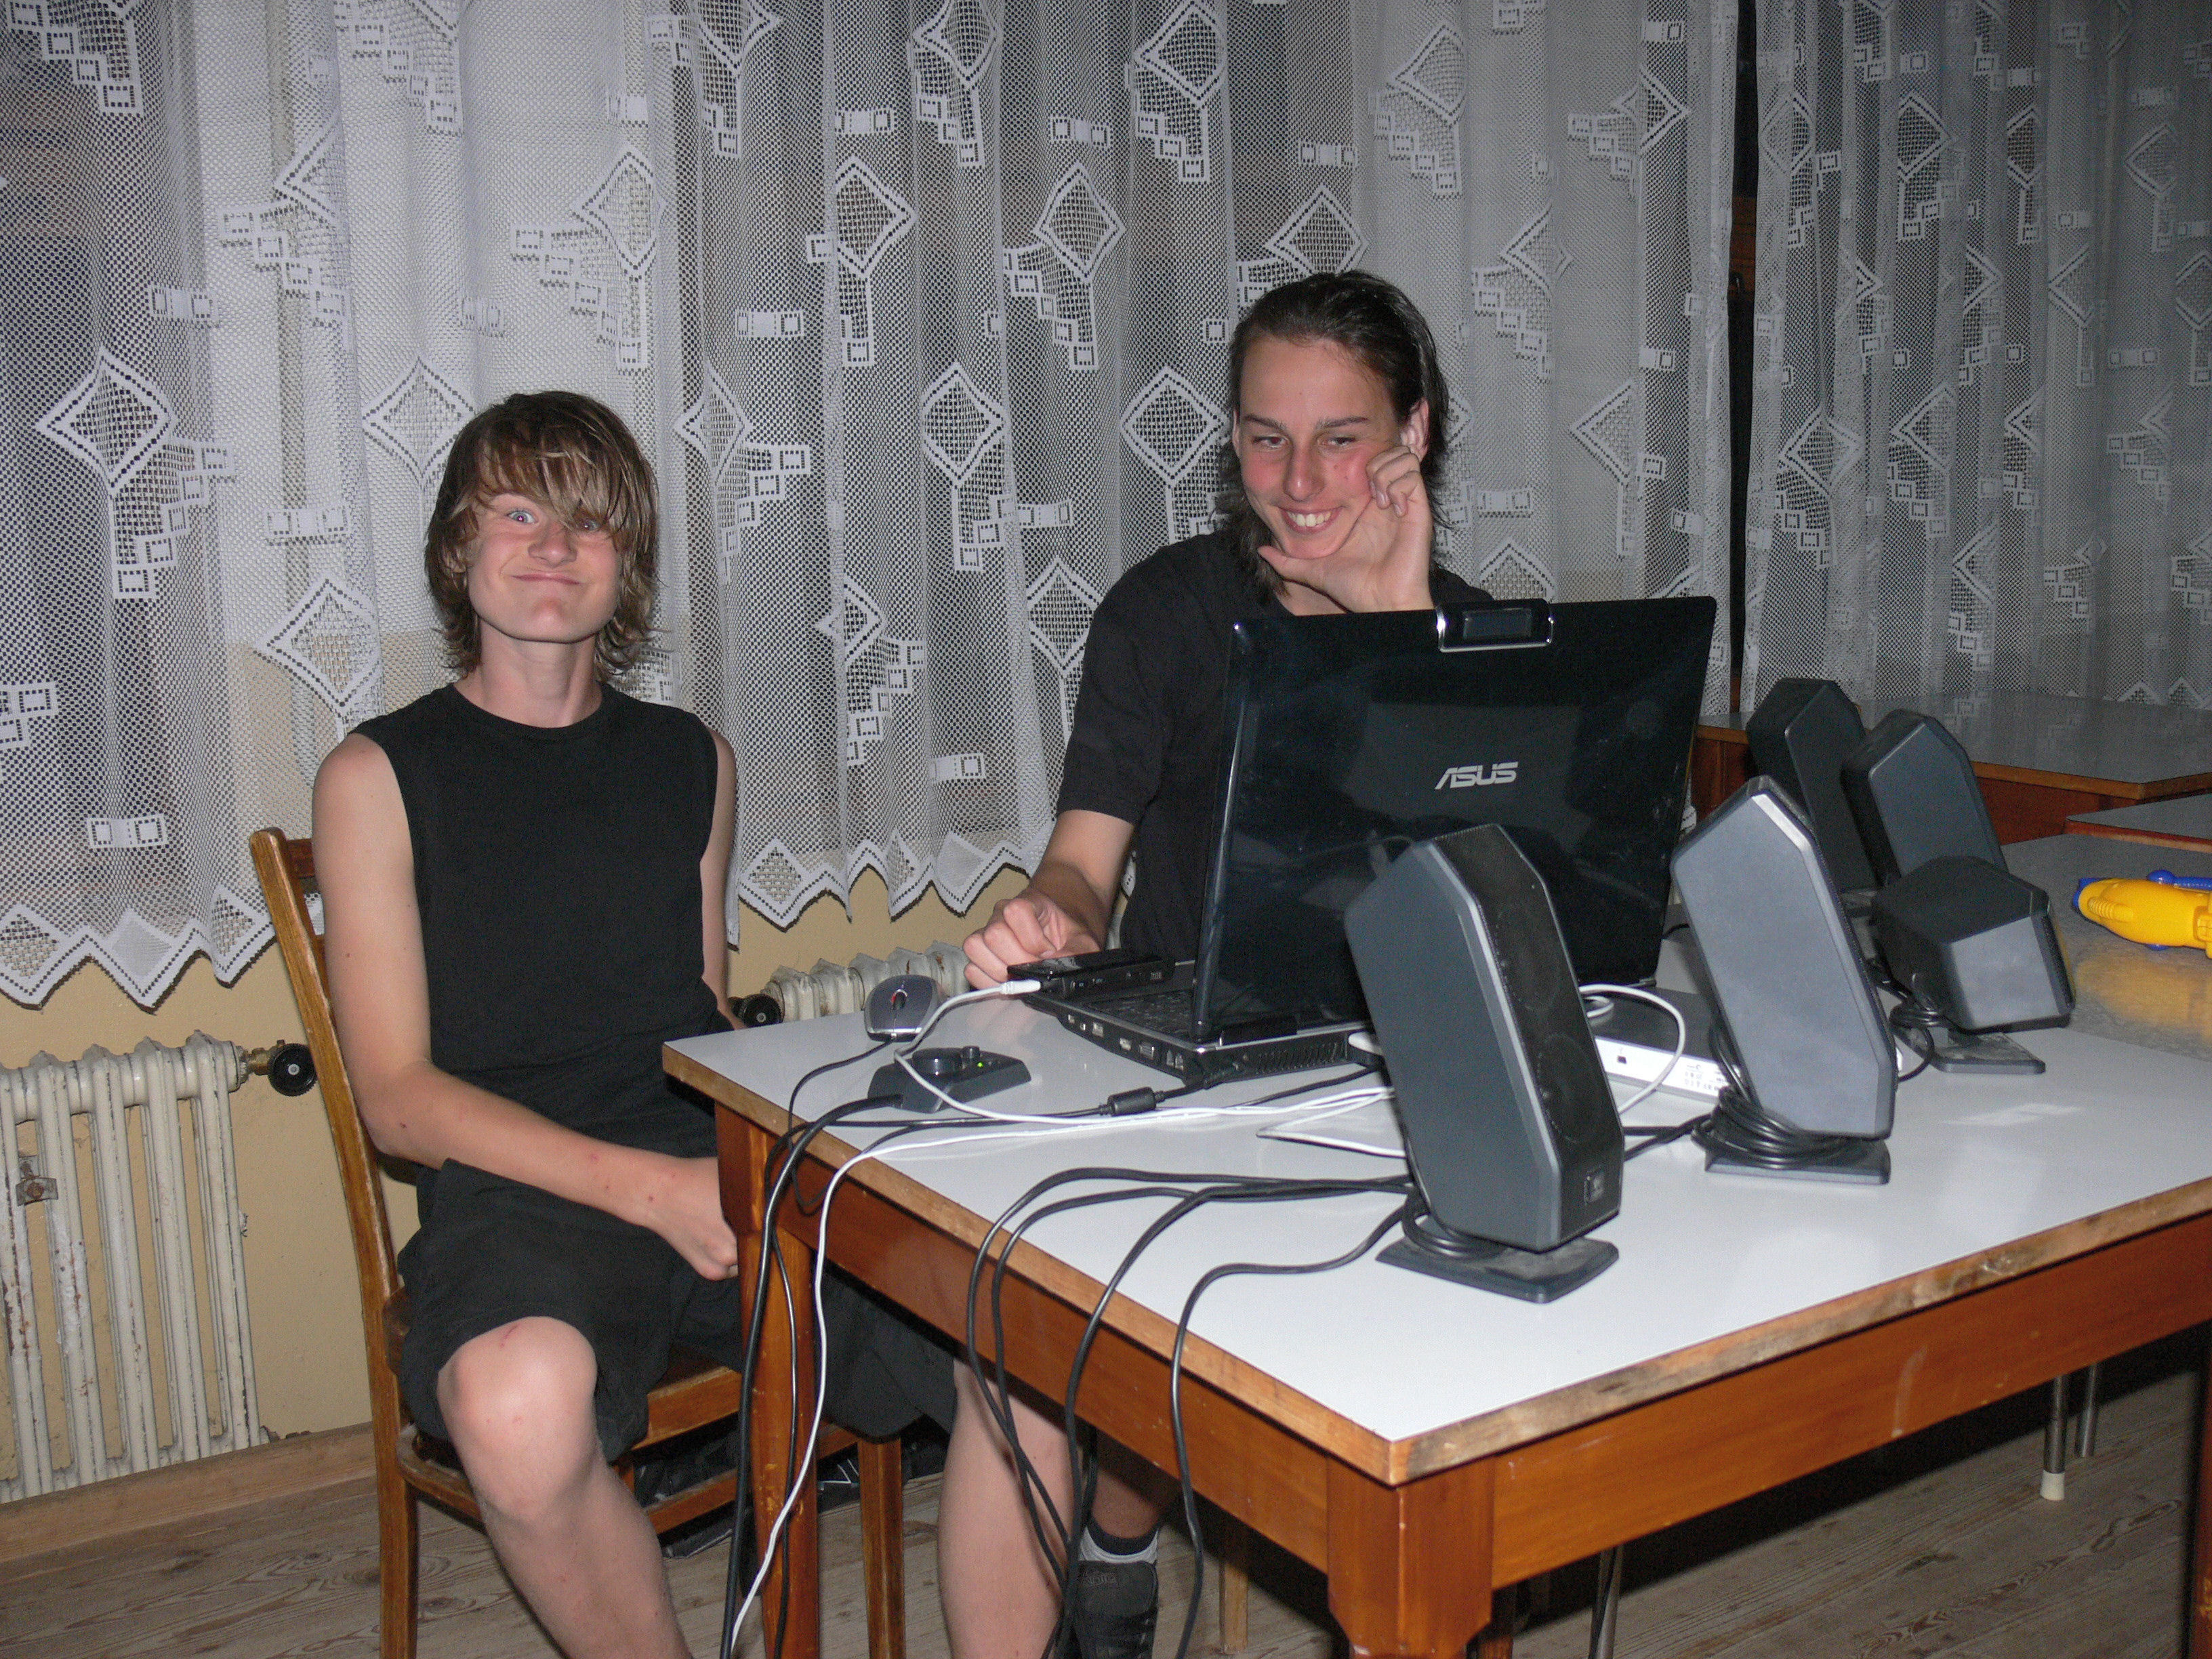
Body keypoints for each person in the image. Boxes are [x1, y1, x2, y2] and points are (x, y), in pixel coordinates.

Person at [313, 391, 951, 1659]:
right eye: (518, 512)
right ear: (457, 545)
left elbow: (694, 1009)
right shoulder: (377, 774)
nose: (555, 546)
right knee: (513, 1406)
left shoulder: (692, 757)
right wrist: (652, 1193)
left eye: (591, 522)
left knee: (1018, 1315)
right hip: (523, 1187)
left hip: (713, 1162)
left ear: (631, 563)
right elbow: (397, 1102)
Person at [959, 270, 1489, 1659]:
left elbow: (1473, 917)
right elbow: (1083, 864)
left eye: (1341, 439)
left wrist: (1396, 618)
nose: (1297, 481)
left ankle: (1125, 1544)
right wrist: (1054, 918)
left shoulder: (1471, 630)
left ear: (1413, 437)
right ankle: (1118, 1544)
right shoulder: (1164, 612)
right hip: (1190, 1066)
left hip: (1395, 1082)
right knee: (1025, 1339)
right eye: (1264, 437)